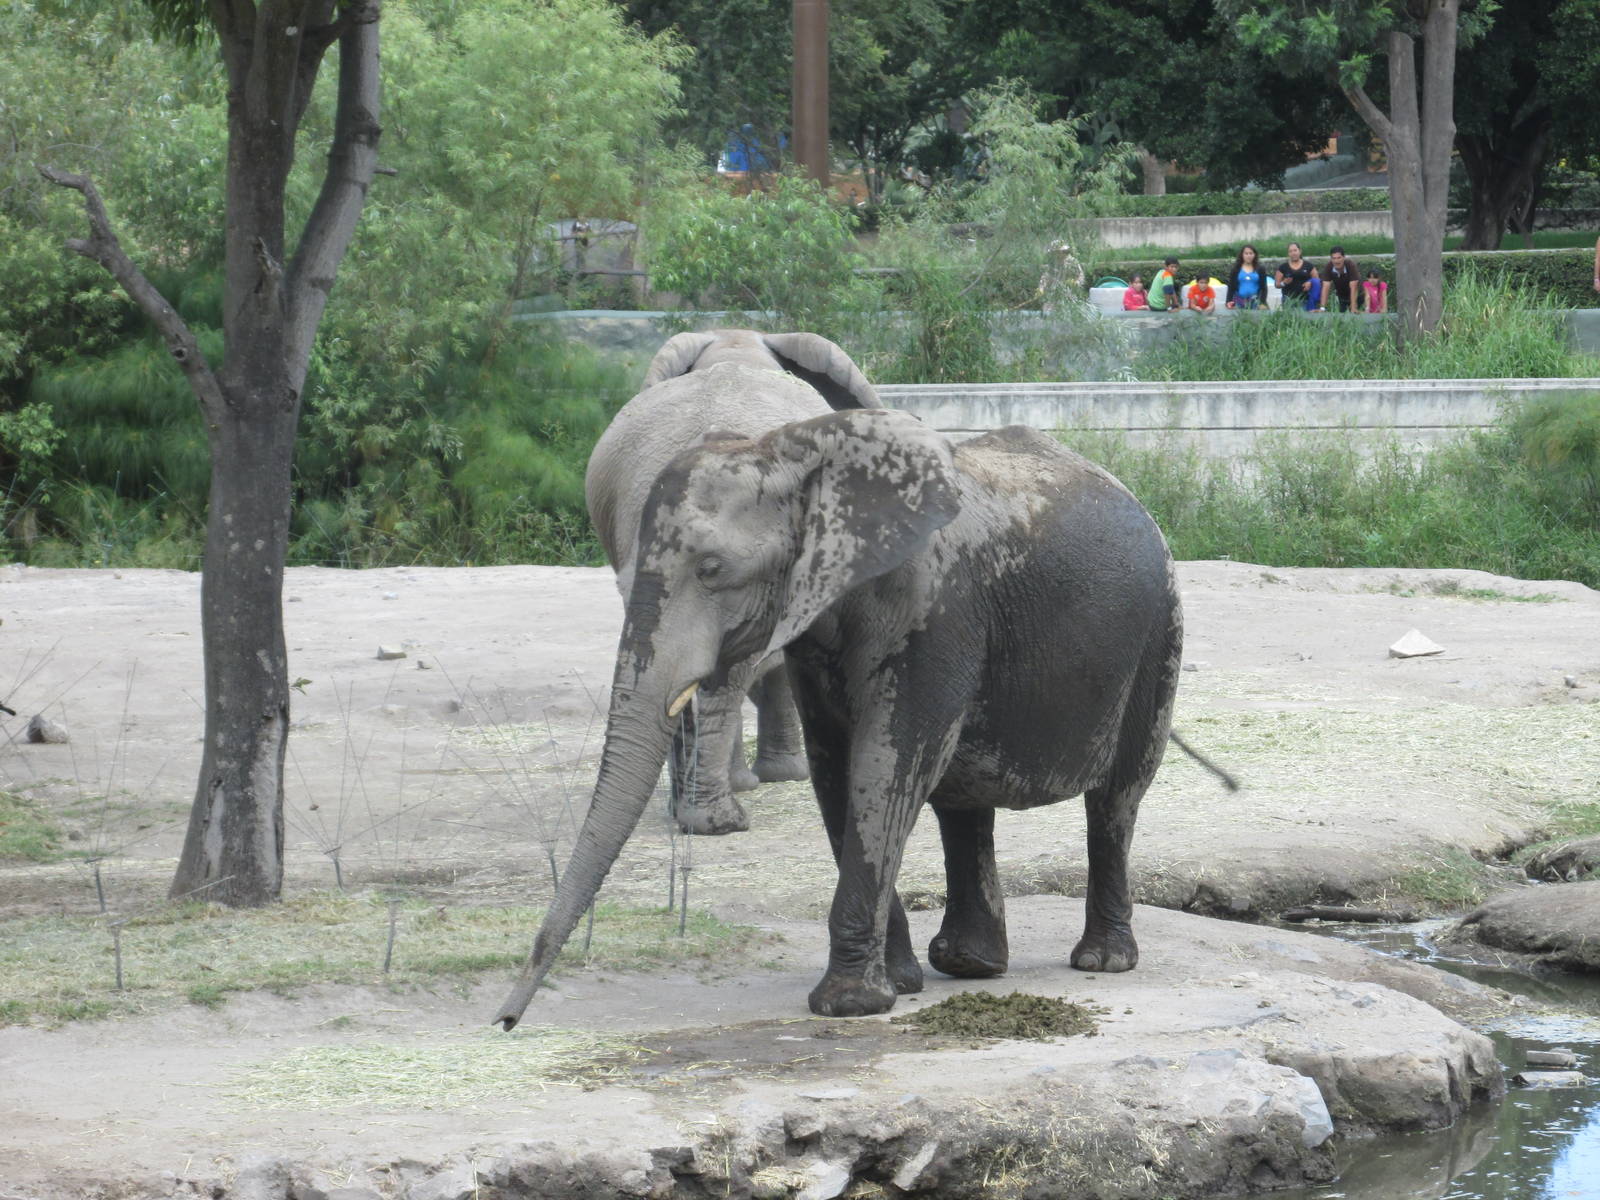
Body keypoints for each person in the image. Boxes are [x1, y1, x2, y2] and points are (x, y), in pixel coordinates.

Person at [1226, 244, 1267, 310]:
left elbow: (1264, 288)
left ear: (1254, 255)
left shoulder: (1260, 269)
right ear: (1242, 255)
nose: (1248, 256)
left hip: (1255, 301)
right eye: (1246, 253)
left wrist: (1262, 303)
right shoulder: (1236, 269)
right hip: (1239, 301)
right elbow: (1231, 287)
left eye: (1251, 253)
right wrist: (1228, 301)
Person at [1275, 242, 1314, 309]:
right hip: (1288, 300)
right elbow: (1277, 285)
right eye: (1290, 251)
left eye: (1295, 250)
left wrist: (1310, 282)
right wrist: (1284, 283)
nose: (1293, 253)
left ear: (1300, 251)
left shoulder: (1309, 266)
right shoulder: (1283, 267)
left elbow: (1317, 281)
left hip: (1304, 300)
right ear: (1288, 253)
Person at [1324, 245, 1361, 312]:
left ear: (1344, 257)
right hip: (1342, 297)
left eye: (1339, 258)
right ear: (1331, 259)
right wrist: (1322, 308)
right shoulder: (1329, 266)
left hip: (1358, 296)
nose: (1336, 261)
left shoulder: (1350, 265)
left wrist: (1353, 306)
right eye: (1334, 258)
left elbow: (1354, 287)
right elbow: (1326, 286)